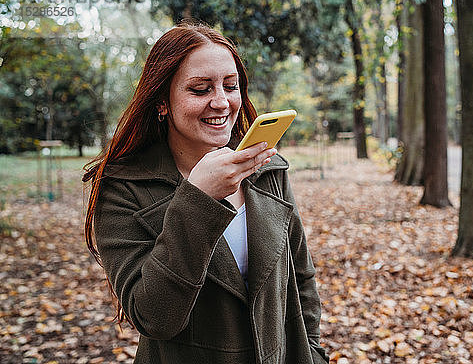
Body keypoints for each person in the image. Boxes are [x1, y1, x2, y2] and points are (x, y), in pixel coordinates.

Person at [83, 22, 328, 364]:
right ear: (161, 102)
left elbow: (300, 278)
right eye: (200, 90)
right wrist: (197, 199)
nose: (222, 102)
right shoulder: (123, 188)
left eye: (231, 86)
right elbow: (153, 317)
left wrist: (313, 353)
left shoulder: (267, 169)